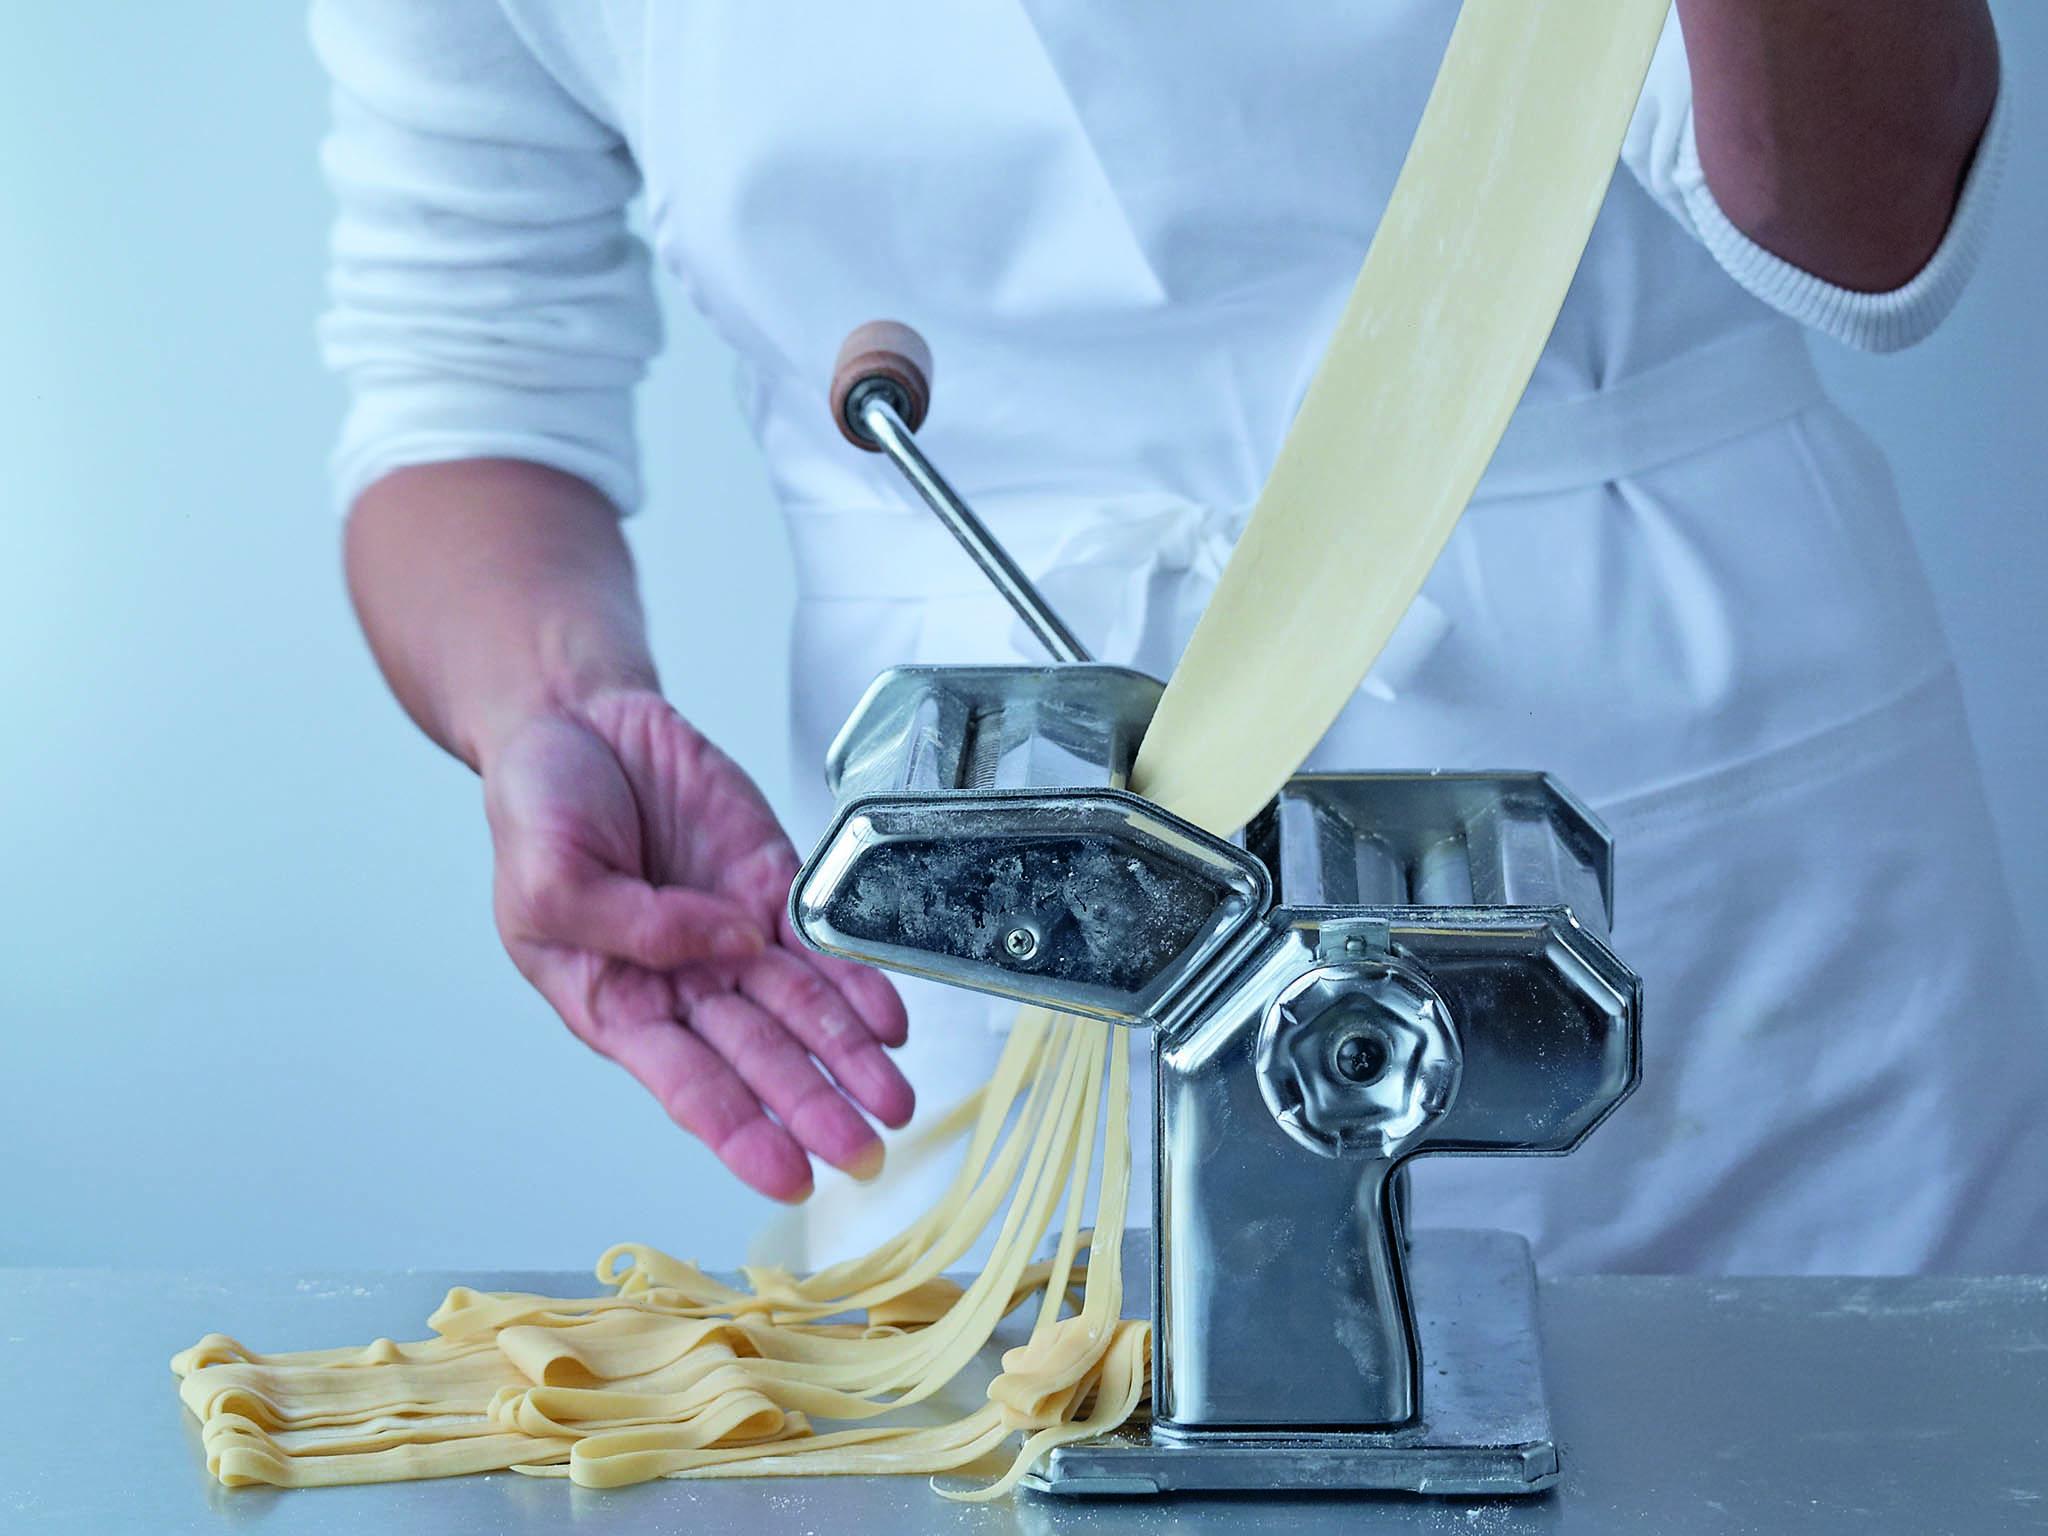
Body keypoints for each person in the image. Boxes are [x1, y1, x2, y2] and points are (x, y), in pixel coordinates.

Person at [313, 0, 2047, 1275]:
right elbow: (463, 364)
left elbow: (1871, 221)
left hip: (1703, 835)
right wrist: (556, 699)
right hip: (998, 907)